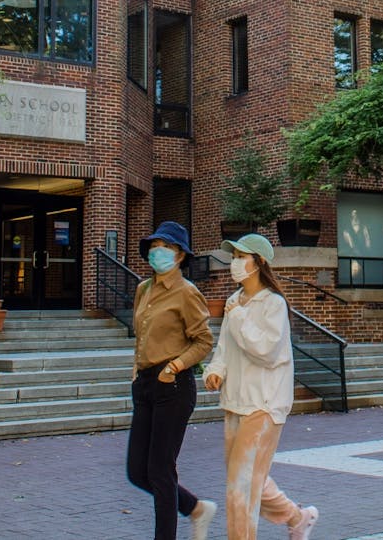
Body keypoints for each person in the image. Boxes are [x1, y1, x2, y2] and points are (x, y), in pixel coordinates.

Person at [203, 233, 320, 540]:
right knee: (246, 479)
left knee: (240, 487)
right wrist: (214, 371)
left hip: (264, 404)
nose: (235, 263)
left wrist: (239, 316)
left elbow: (266, 351)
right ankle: (298, 518)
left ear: (260, 262)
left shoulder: (273, 304)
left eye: (242, 257)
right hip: (235, 400)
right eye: (234, 257)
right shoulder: (233, 302)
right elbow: (225, 348)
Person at [127, 221, 218, 539]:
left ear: (180, 255)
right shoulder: (143, 289)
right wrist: (136, 368)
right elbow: (141, 334)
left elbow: (204, 341)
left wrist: (173, 367)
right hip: (145, 384)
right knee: (137, 471)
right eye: (154, 247)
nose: (158, 252)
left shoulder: (187, 293)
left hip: (174, 385)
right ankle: (196, 508)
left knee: (160, 470)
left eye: (166, 247)